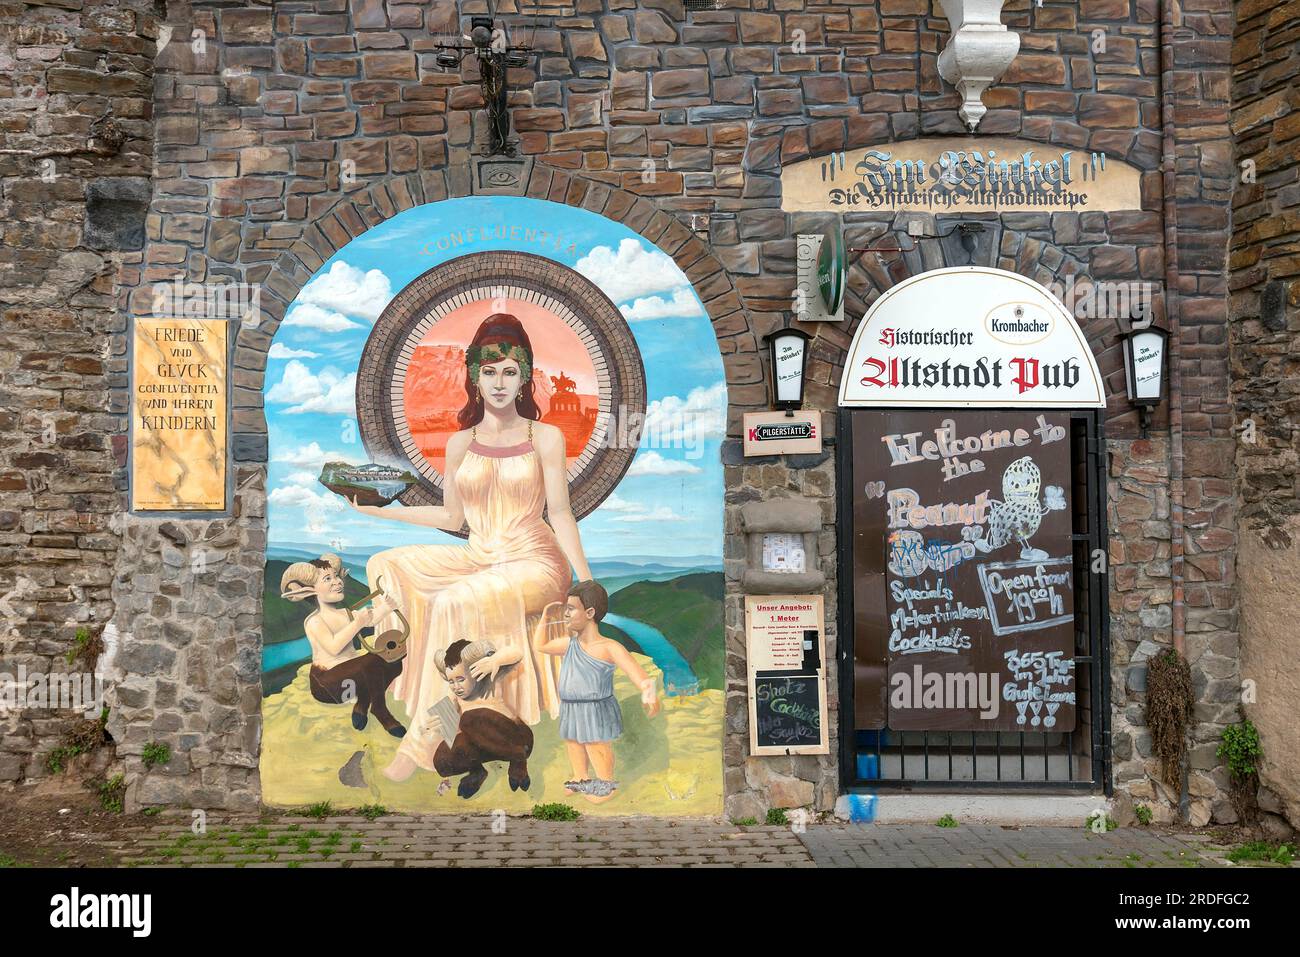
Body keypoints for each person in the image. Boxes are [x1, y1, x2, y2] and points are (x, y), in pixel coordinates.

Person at [347, 313, 593, 782]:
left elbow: (560, 513)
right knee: (385, 564)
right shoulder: (461, 443)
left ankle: (423, 743)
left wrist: (586, 577)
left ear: (524, 378)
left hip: (533, 562)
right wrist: (378, 513)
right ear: (474, 377)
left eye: (509, 371)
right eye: (489, 371)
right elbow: (450, 519)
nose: (498, 382)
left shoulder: (546, 437)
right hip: (480, 555)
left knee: (453, 601)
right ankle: (405, 675)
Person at [533, 580, 660, 803]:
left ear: (590, 612)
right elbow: (540, 646)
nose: (566, 614)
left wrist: (648, 691)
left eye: (571, 609)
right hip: (571, 706)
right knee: (573, 742)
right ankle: (581, 777)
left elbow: (635, 671)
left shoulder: (609, 647)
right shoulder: (569, 644)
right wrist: (545, 616)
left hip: (595, 707)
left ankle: (605, 784)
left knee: (596, 744)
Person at [279, 554, 405, 737]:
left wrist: (387, 607)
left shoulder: (346, 613)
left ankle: (362, 704)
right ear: (310, 590)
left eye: (336, 576)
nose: (337, 582)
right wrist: (357, 623)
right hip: (327, 684)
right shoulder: (314, 621)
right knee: (373, 661)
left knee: (395, 661)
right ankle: (379, 709)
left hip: (353, 677)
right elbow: (334, 647)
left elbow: (371, 619)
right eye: (327, 578)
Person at [429, 638, 534, 798]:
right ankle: (477, 772)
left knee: (470, 718)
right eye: (451, 681)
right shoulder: (454, 696)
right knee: (442, 760)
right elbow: (446, 728)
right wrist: (436, 725)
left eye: (461, 679)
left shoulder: (488, 677)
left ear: (476, 670)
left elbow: (517, 653)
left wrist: (495, 660)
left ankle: (518, 761)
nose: (456, 686)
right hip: (486, 747)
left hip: (516, 740)